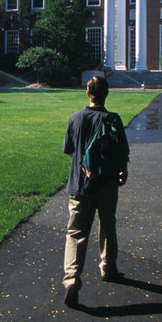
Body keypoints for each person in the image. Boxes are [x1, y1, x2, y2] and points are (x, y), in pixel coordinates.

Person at [61, 75, 130, 307]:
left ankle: (71, 280)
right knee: (108, 225)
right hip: (107, 184)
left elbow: (69, 150)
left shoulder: (76, 118)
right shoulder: (113, 119)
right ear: (106, 93)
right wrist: (121, 171)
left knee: (75, 234)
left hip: (80, 185)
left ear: (87, 93)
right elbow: (122, 152)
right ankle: (108, 268)